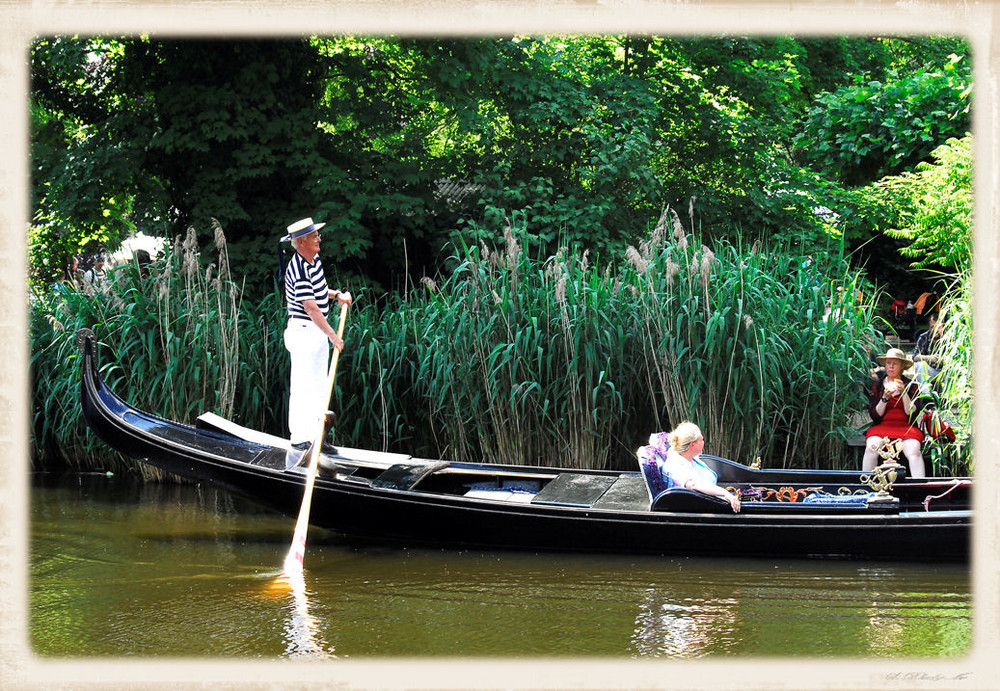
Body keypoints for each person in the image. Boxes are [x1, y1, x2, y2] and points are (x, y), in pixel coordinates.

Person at [282, 217, 352, 469]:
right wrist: (333, 335)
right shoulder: (297, 267)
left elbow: (319, 292)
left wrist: (336, 295)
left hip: (316, 332)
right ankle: (301, 440)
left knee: (319, 387)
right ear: (301, 242)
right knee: (303, 388)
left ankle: (317, 438)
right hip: (304, 331)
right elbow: (310, 307)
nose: (319, 239)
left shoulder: (315, 261)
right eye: (314, 236)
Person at [648, 422, 740, 512]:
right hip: (693, 508)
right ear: (692, 445)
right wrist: (725, 493)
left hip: (707, 501)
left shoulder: (688, 455)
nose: (704, 443)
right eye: (701, 440)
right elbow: (693, 485)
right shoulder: (675, 464)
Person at [863, 348, 925, 478]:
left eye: (895, 363)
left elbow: (912, 413)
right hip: (882, 427)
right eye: (888, 363)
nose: (891, 366)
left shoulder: (911, 385)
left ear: (902, 367)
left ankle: (920, 488)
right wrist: (885, 398)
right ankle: (867, 485)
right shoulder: (878, 385)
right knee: (871, 448)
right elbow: (875, 415)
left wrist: (903, 393)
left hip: (906, 427)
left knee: (914, 451)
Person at [912, 314, 946, 395]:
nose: (935, 330)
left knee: (952, 368)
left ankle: (947, 397)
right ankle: (926, 396)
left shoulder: (949, 338)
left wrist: (945, 359)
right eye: (932, 327)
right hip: (930, 371)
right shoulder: (924, 337)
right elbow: (914, 357)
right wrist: (929, 357)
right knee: (919, 365)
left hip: (945, 371)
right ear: (929, 327)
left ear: (942, 327)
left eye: (938, 327)